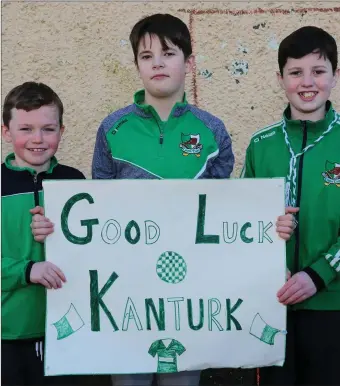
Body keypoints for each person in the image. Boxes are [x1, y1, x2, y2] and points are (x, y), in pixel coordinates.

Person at [89, 12, 295, 386]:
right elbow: (99, 214)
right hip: (129, 297)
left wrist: (267, 230)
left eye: (168, 53)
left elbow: (226, 215)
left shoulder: (212, 130)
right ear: (136, 65)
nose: (158, 63)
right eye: (146, 56)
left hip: (190, 296)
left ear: (189, 62)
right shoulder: (112, 128)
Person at [241, 26, 340, 385]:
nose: (307, 82)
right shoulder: (260, 145)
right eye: (296, 72)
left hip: (332, 303)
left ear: (335, 76)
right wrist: (266, 251)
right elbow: (239, 222)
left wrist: (318, 275)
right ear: (280, 78)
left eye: (318, 71)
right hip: (272, 304)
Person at [1, 81, 85, 386]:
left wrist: (58, 236)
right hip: (7, 330)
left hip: (66, 328)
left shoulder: (75, 182)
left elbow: (94, 250)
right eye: (25, 129)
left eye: (48, 129)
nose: (37, 139)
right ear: (6, 132)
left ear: (61, 131)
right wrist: (28, 269)